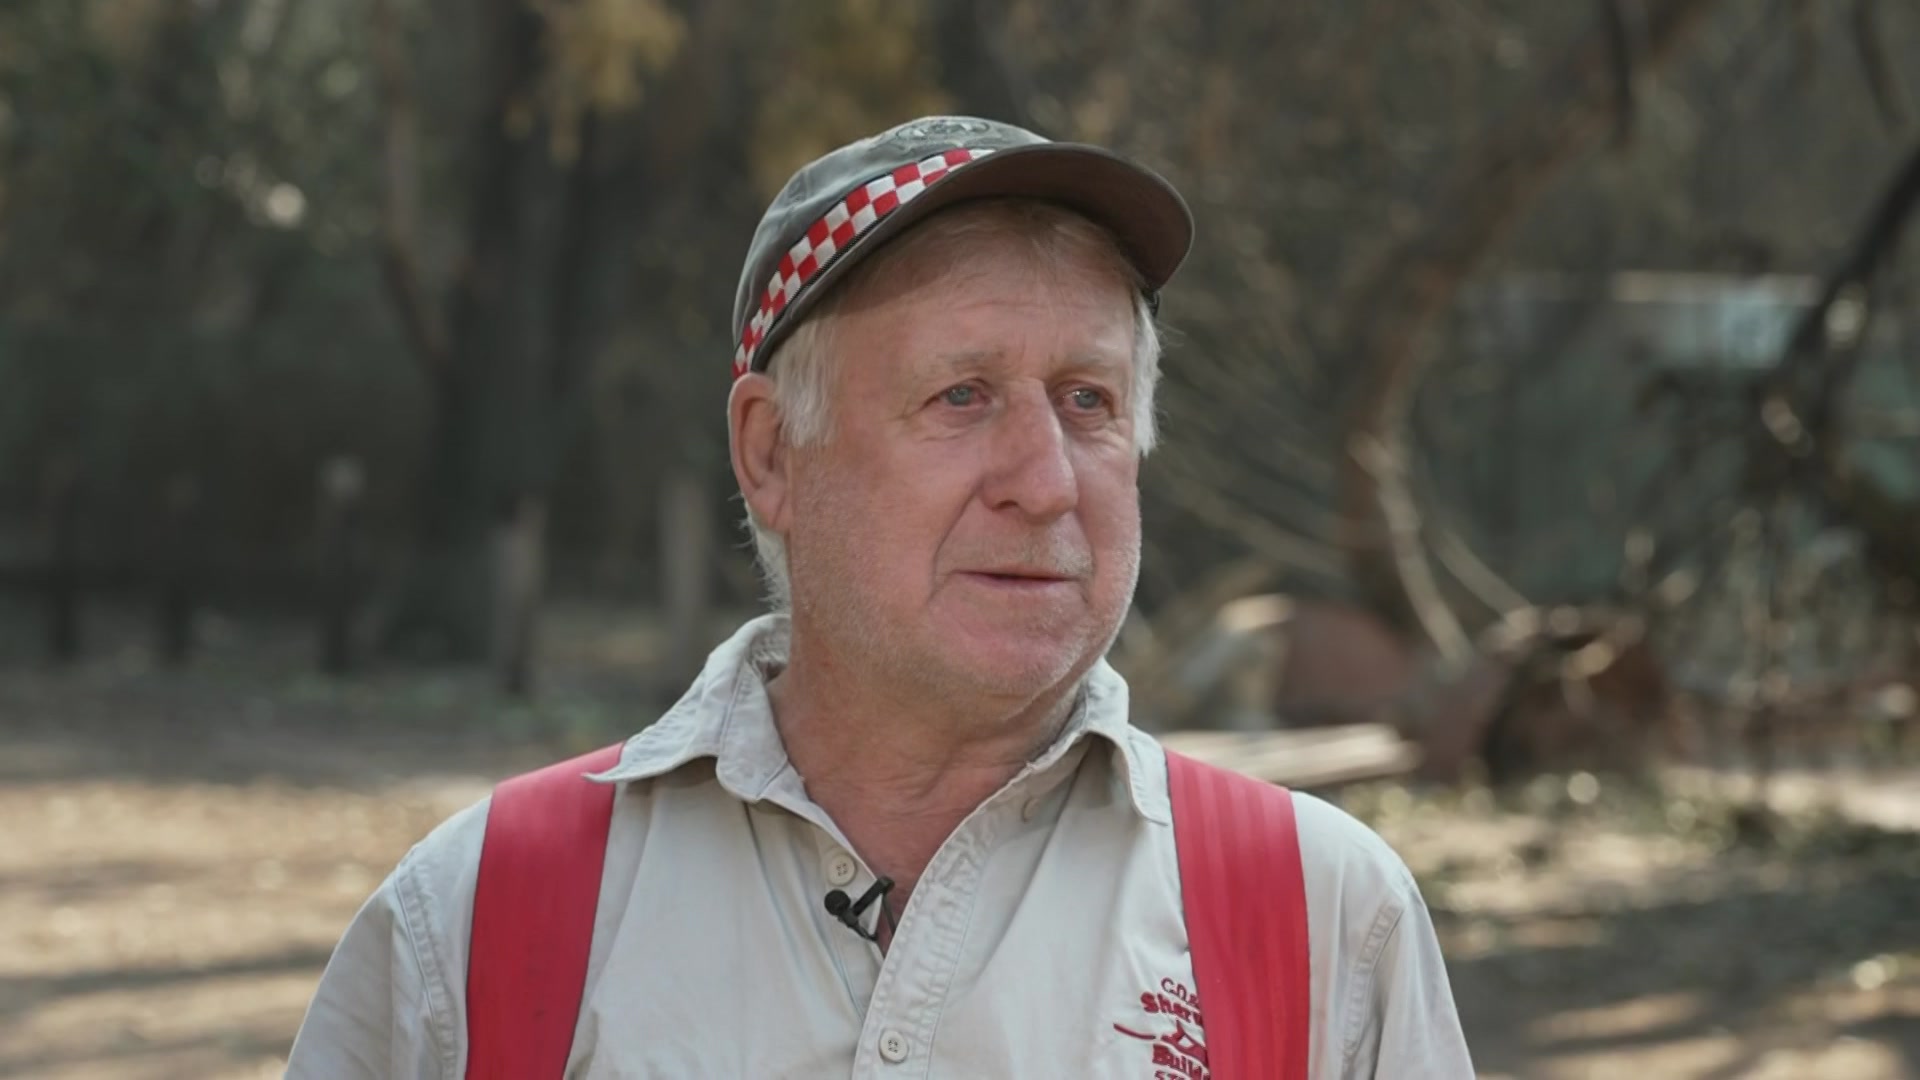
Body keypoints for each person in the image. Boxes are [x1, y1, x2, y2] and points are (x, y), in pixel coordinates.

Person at [286, 115, 1474, 1078]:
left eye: (1089, 401)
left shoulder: (1320, 922)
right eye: (961, 395)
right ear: (770, 453)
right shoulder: (485, 916)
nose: (1047, 481)